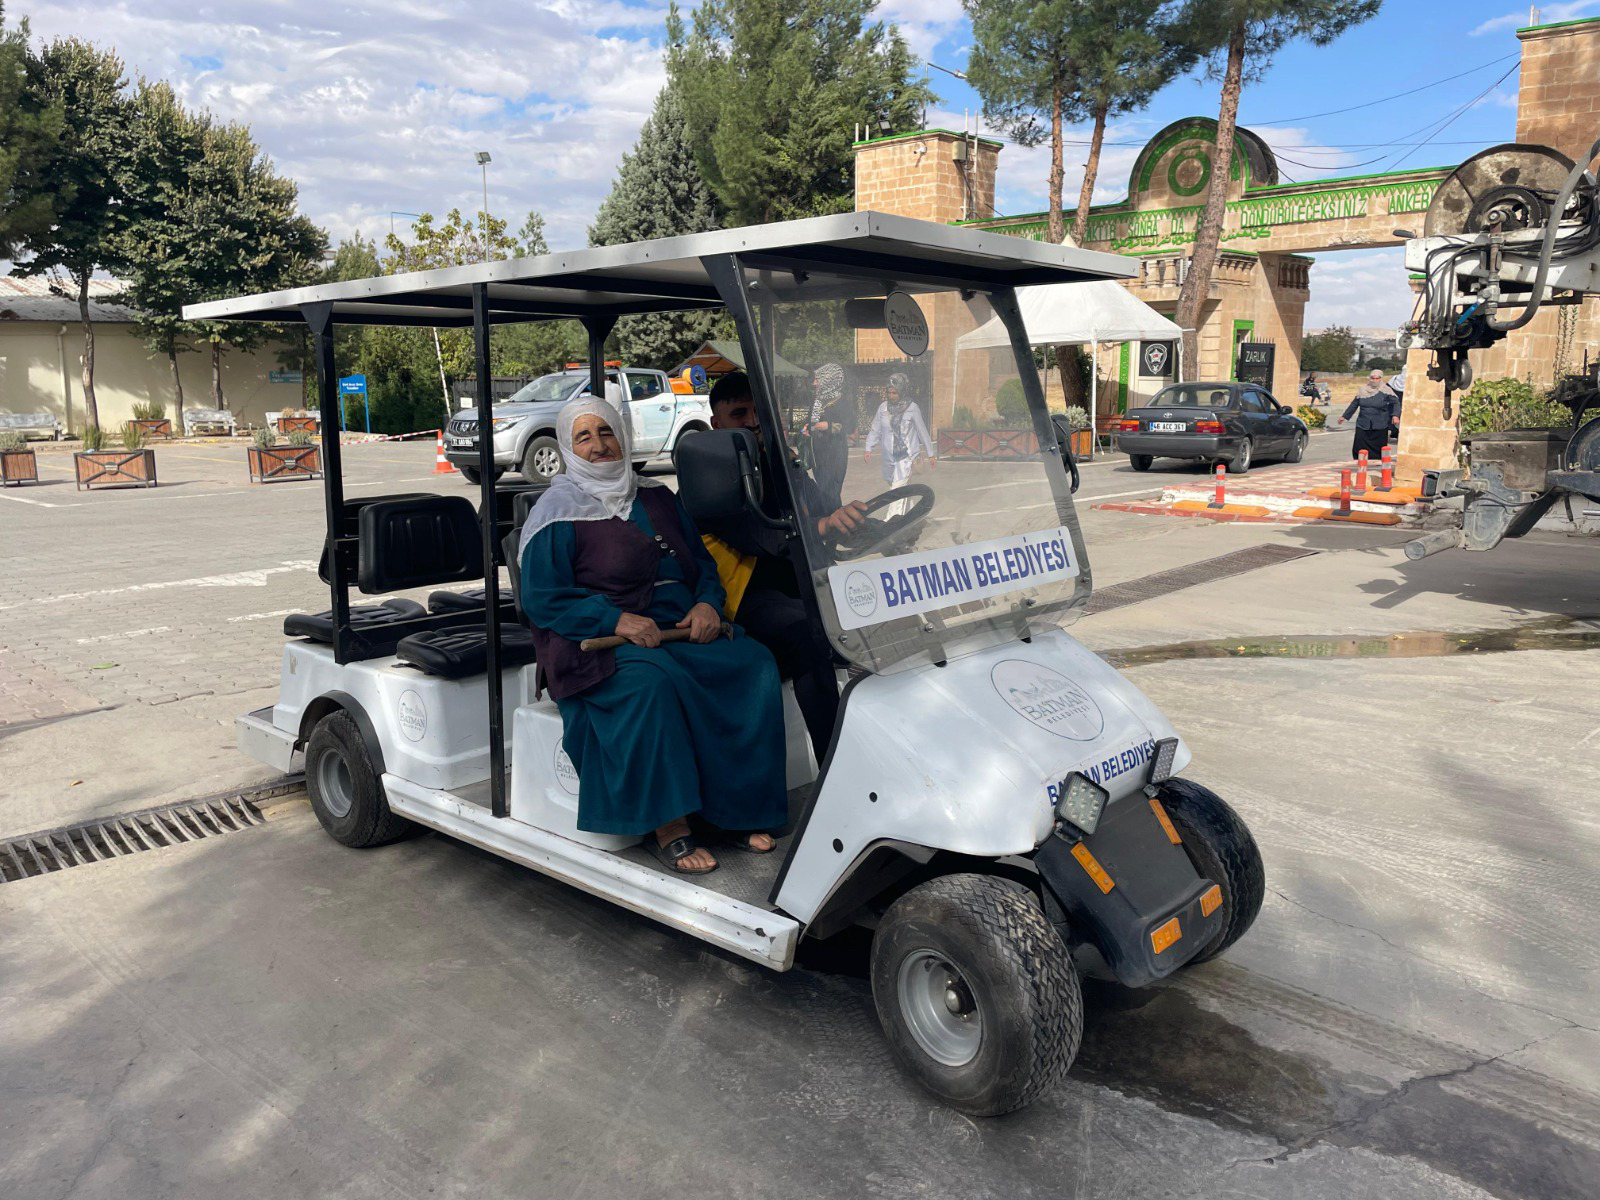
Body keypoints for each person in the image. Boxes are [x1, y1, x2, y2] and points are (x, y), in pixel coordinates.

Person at [518, 396, 788, 875]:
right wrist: (614, 621)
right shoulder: (556, 512)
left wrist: (708, 603)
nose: (599, 444)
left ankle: (734, 812)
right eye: (584, 436)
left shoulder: (658, 497)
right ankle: (670, 824)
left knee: (753, 665)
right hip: (598, 642)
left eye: (606, 432)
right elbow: (542, 598)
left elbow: (701, 563)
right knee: (651, 685)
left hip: (676, 629)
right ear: (568, 448)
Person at [699, 372, 866, 761]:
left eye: (759, 411)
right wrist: (825, 525)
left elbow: (823, 507)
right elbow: (762, 536)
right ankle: (836, 762)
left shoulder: (783, 464)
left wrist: (858, 523)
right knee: (806, 632)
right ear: (716, 424)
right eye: (739, 413)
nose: (753, 421)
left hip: (797, 580)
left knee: (874, 606)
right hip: (743, 594)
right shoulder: (710, 476)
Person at [864, 373, 936, 504]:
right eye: (889, 392)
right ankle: (909, 513)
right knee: (898, 489)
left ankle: (892, 516)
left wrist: (930, 454)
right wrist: (869, 448)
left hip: (906, 457)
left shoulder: (912, 408)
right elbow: (875, 429)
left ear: (902, 391)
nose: (891, 396)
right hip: (889, 457)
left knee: (897, 491)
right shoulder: (883, 408)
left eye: (895, 393)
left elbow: (922, 431)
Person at [804, 362, 853, 511]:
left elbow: (850, 426)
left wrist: (829, 426)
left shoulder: (842, 401)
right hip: (817, 455)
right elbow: (811, 423)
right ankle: (831, 519)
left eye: (818, 379)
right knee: (823, 492)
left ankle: (834, 519)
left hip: (834, 455)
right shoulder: (817, 401)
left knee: (831, 494)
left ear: (829, 380)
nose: (814, 383)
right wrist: (806, 429)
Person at [1338, 369, 1400, 461]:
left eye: (1377, 378)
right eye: (1372, 378)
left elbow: (1396, 403)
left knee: (1378, 446)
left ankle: (1376, 462)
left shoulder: (1386, 390)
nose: (1374, 380)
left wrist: (1395, 415)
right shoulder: (1363, 390)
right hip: (1363, 422)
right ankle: (1360, 461)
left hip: (1380, 423)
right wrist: (1344, 416)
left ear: (1381, 379)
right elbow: (1354, 404)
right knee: (1359, 444)